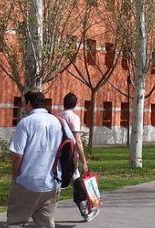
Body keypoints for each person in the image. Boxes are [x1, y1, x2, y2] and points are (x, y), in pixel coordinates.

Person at [8, 91, 75, 228]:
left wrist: (15, 177)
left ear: (29, 103)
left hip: (27, 183)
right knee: (45, 223)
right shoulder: (58, 121)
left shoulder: (25, 123)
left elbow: (17, 155)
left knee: (16, 222)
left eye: (24, 104)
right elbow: (71, 144)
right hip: (52, 183)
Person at [59, 92, 98, 222]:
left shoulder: (58, 116)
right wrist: (84, 160)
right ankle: (86, 213)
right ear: (75, 104)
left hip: (57, 156)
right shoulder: (73, 118)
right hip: (70, 156)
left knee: (60, 184)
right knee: (77, 184)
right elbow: (78, 141)